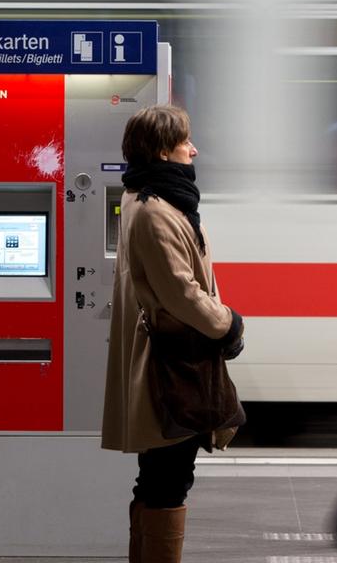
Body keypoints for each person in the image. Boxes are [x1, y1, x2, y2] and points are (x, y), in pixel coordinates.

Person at [101, 105, 246, 563]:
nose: (194, 149)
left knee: (159, 477)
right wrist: (228, 324)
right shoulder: (154, 211)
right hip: (170, 365)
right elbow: (180, 291)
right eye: (186, 141)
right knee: (168, 477)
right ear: (164, 149)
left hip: (171, 358)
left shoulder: (160, 202)